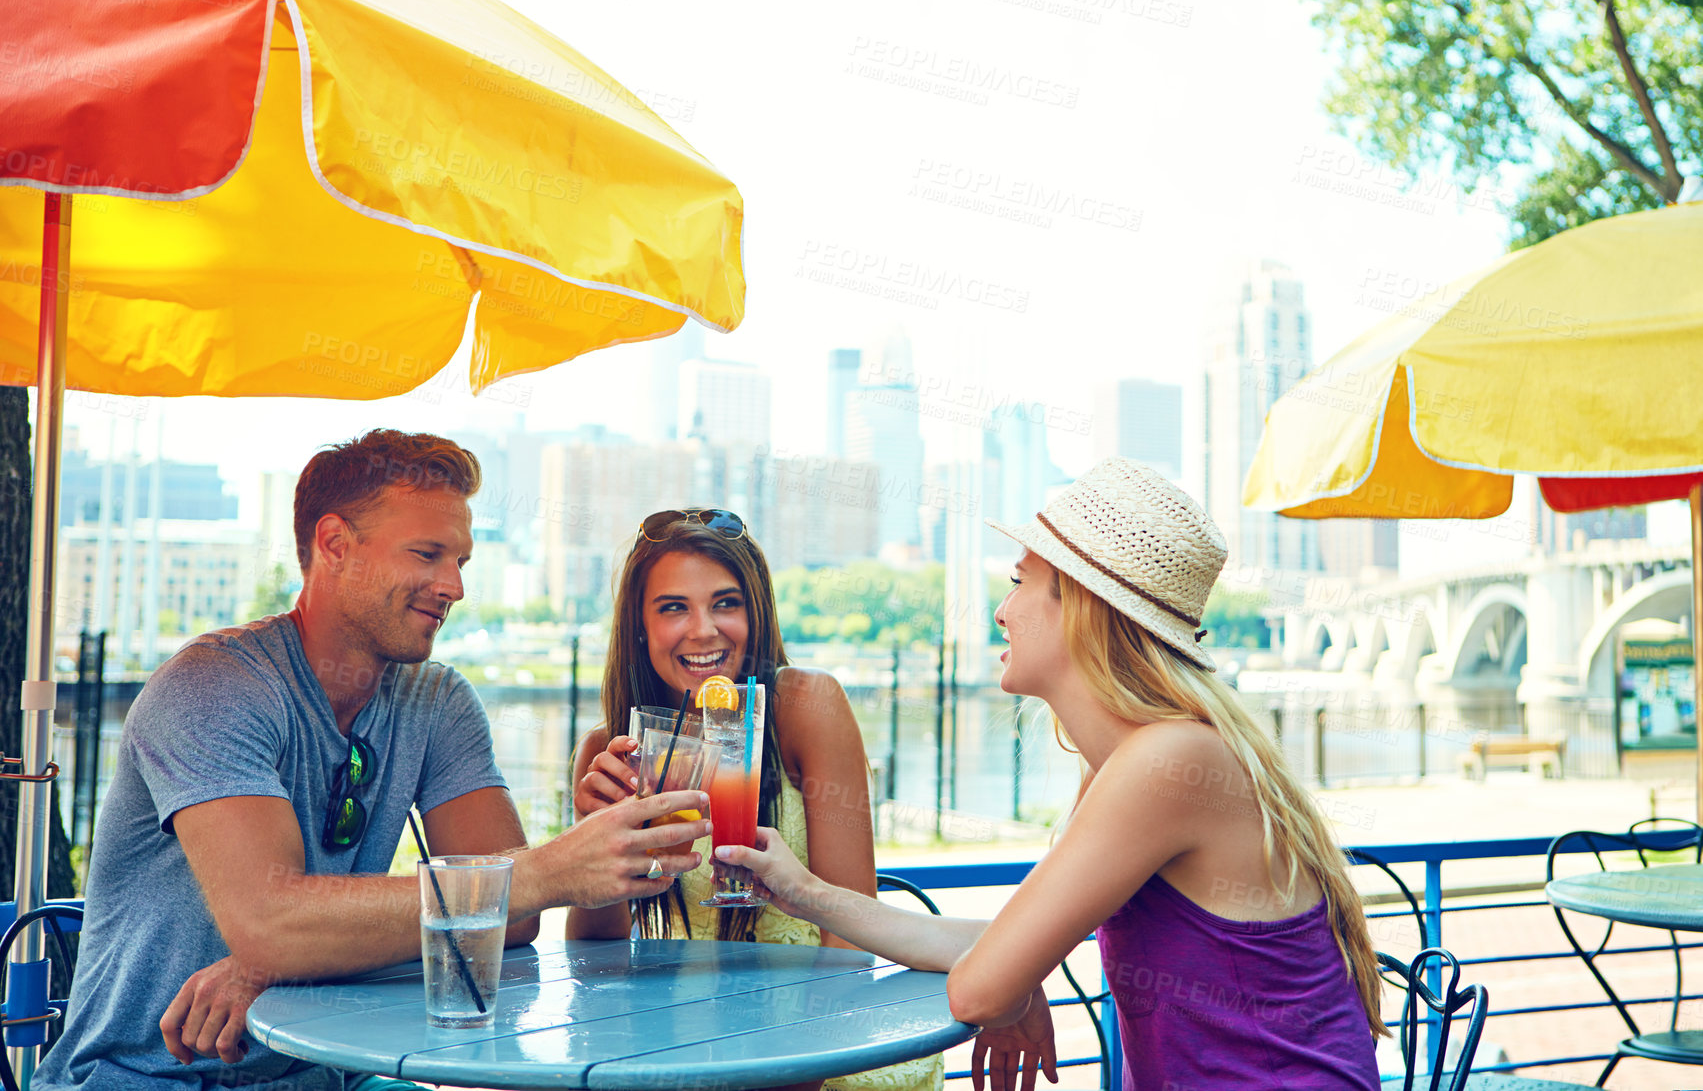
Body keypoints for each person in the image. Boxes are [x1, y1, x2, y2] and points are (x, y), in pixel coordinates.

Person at [36, 431, 710, 1091]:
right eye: (427, 553)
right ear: (334, 544)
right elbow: (271, 919)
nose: (453, 586)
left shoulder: (435, 700)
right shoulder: (214, 686)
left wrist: (275, 964)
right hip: (142, 1073)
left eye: (462, 562)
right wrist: (544, 871)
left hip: (325, 1070)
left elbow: (510, 921)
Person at [716, 460, 1386, 1091]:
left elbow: (978, 987)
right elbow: (1002, 949)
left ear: (1079, 603)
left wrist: (1015, 975)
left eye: (1017, 580)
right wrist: (802, 891)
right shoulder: (1134, 762)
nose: (1001, 609)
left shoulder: (1165, 763)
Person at [568, 508, 942, 1091]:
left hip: (825, 1047)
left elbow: (850, 935)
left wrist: (791, 1076)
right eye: (673, 608)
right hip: (687, 1050)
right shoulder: (609, 749)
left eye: (725, 603)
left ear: (756, 614)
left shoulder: (803, 708)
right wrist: (593, 839)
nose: (703, 630)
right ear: (640, 627)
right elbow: (597, 959)